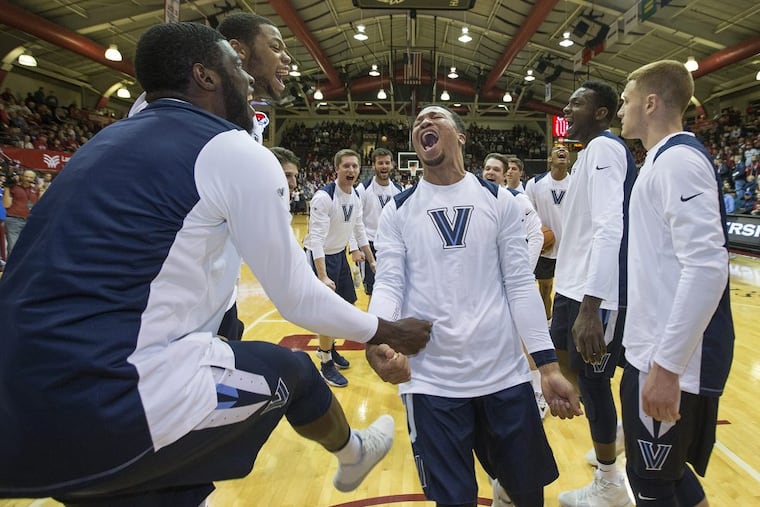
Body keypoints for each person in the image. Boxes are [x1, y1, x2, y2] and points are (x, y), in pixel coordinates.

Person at [0, 22, 431, 506]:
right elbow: (295, 297)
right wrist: (385, 330)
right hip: (110, 393)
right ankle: (353, 453)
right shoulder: (230, 150)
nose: (247, 80)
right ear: (206, 76)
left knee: (164, 486)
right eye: (237, 66)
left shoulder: (108, 140)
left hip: (19, 408)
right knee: (291, 371)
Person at [366, 104, 582, 507]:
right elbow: (390, 284)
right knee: (454, 499)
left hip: (504, 375)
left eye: (436, 117)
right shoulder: (397, 210)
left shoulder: (501, 201)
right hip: (431, 382)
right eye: (417, 122)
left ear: (460, 136)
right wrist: (379, 335)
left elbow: (520, 285)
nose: (424, 123)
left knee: (527, 495)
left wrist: (548, 368)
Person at [617, 60, 735, 507]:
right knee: (667, 476)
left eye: (627, 101)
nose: (621, 110)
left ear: (650, 103)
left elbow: (706, 267)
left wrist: (666, 368)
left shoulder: (679, 161)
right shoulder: (657, 162)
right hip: (654, 354)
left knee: (653, 487)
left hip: (671, 363)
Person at [552, 80, 637, 507]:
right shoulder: (588, 156)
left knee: (594, 383)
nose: (567, 108)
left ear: (601, 113)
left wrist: (592, 306)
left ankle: (610, 484)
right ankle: (614, 434)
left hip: (596, 295)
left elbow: (609, 226)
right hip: (571, 287)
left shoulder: (605, 148)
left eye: (577, 103)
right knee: (565, 370)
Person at [303, 149, 377, 388]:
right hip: (320, 258)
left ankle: (330, 348)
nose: (351, 170)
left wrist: (371, 259)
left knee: (346, 304)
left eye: (355, 166)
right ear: (336, 168)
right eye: (346, 166)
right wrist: (322, 275)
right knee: (327, 313)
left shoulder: (355, 196)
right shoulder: (324, 198)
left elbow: (358, 230)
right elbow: (316, 240)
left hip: (339, 255)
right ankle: (325, 363)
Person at [524, 144, 572, 322]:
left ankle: (563, 324)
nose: (562, 150)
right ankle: (547, 323)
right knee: (544, 289)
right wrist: (536, 239)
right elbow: (528, 216)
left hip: (569, 248)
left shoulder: (576, 183)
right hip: (546, 246)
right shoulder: (535, 184)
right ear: (549, 159)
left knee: (567, 290)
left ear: (569, 160)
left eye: (565, 150)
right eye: (557, 149)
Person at [352, 147, 402, 295]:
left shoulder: (399, 190)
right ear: (373, 166)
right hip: (369, 246)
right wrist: (355, 248)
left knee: (392, 288)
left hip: (391, 245)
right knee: (373, 291)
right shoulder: (363, 189)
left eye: (387, 163)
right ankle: (374, 318)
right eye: (380, 163)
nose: (384, 166)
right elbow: (354, 220)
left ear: (392, 165)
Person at [2, 168, 39, 256]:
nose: (28, 179)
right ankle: (12, 268)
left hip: (30, 221)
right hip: (14, 220)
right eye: (26, 176)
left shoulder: (35, 190)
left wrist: (41, 190)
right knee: (13, 246)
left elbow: (39, 204)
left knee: (28, 246)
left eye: (31, 177)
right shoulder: (13, 187)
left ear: (34, 179)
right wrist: (7, 188)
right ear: (21, 177)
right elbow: (6, 205)